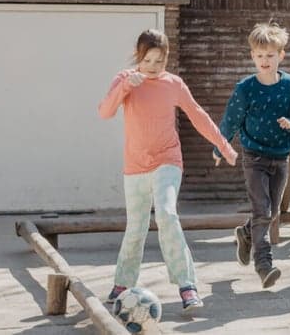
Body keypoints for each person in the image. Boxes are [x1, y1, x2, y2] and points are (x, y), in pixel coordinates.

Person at [97, 29, 238, 312]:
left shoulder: (173, 84)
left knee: (167, 214)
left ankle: (187, 286)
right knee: (135, 227)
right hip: (135, 165)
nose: (153, 66)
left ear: (167, 58)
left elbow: (198, 115)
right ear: (138, 56)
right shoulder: (124, 79)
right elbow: (105, 112)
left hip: (168, 160)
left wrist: (223, 145)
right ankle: (123, 283)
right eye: (147, 60)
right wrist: (125, 87)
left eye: (159, 61)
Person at [218, 22, 290, 289]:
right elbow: (231, 120)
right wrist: (220, 147)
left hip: (281, 157)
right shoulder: (245, 88)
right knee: (262, 210)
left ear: (281, 55)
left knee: (270, 211)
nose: (265, 60)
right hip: (254, 157)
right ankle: (264, 265)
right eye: (259, 55)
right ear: (252, 56)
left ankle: (246, 232)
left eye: (270, 55)